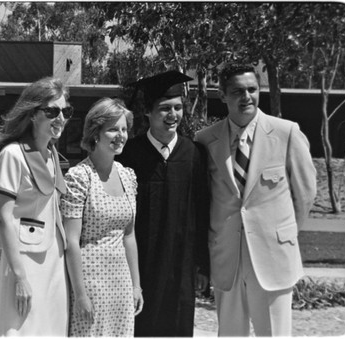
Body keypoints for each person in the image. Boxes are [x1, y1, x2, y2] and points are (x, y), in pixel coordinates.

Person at [195, 62, 317, 336]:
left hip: (274, 257)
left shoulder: (286, 132)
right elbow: (204, 201)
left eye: (252, 89)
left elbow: (306, 194)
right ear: (222, 95)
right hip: (227, 258)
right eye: (238, 91)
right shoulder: (205, 140)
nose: (247, 96)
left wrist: (285, 236)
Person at [116, 70, 210, 337]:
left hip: (182, 264)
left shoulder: (194, 154)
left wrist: (203, 265)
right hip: (140, 264)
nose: (173, 115)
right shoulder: (128, 155)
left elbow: (202, 212)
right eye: (164, 108)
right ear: (147, 112)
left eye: (178, 108)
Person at [0, 77, 71, 336]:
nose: (61, 118)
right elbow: (3, 218)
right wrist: (19, 276)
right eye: (52, 111)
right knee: (22, 328)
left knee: (51, 328)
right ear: (32, 114)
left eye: (66, 111)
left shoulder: (52, 154)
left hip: (54, 256)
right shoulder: (12, 154)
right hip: (24, 260)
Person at [61, 98, 143, 337]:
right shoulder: (79, 177)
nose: (121, 136)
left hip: (121, 282)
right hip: (90, 281)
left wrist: (136, 285)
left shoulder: (128, 176)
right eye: (113, 129)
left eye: (124, 129)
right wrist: (80, 294)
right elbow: (71, 241)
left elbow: (129, 235)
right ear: (95, 133)